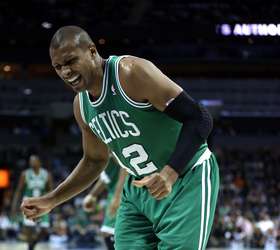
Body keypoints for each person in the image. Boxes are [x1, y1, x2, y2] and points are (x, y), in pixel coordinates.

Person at [21, 25, 220, 250]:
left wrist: (170, 172)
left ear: (92, 51)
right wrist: (52, 199)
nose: (65, 72)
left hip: (185, 178)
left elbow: (201, 118)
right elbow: (94, 161)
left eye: (70, 61)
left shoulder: (131, 73)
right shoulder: (82, 107)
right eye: (58, 67)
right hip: (137, 188)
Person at [83, 156, 127, 250]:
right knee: (108, 233)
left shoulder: (109, 146)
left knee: (110, 232)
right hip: (114, 195)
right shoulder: (101, 155)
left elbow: (125, 166)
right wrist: (92, 195)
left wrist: (117, 196)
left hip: (123, 193)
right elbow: (105, 178)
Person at [12, 155, 53, 250]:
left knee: (45, 229)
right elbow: (18, 190)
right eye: (30, 161)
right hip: (29, 203)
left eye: (33, 161)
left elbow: (50, 190)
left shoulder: (46, 174)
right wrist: (14, 206)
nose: (31, 163)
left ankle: (33, 243)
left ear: (39, 162)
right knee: (28, 228)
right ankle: (30, 247)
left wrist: (52, 203)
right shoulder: (25, 174)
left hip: (42, 202)